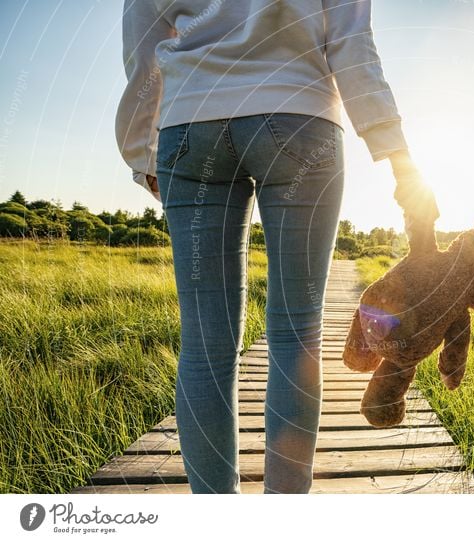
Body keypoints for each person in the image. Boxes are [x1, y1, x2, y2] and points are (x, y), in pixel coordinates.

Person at [115, 0, 439, 494]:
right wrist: (398, 155)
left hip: (191, 123)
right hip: (300, 117)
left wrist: (142, 153)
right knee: (297, 335)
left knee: (205, 346)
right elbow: (353, 43)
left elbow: (142, 49)